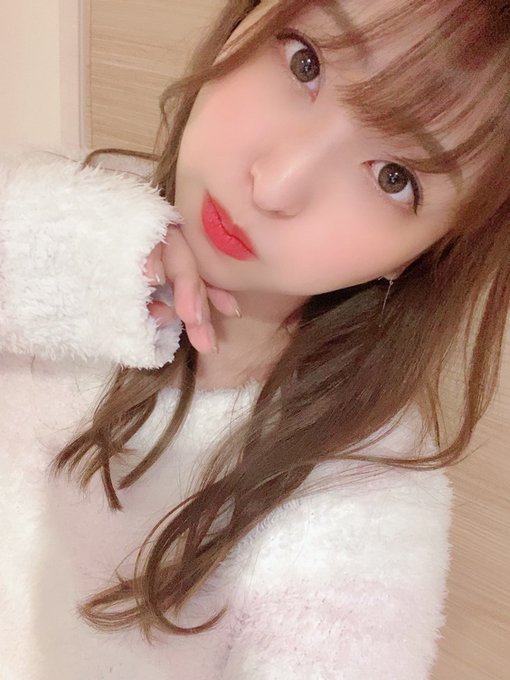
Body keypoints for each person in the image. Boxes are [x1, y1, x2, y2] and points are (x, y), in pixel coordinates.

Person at [1, 0, 509, 678]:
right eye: (305, 63)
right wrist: (73, 260)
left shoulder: (362, 507)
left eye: (394, 177)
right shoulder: (68, 216)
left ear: (427, 253)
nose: (275, 184)